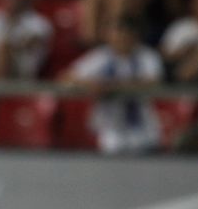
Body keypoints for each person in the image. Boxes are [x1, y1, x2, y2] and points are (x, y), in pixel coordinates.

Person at [61, 16, 163, 155]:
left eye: (125, 34)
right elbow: (66, 76)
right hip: (110, 127)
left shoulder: (147, 56)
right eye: (116, 33)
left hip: (142, 126)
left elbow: (153, 81)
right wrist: (92, 83)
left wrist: (111, 85)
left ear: (135, 36)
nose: (120, 38)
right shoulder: (101, 56)